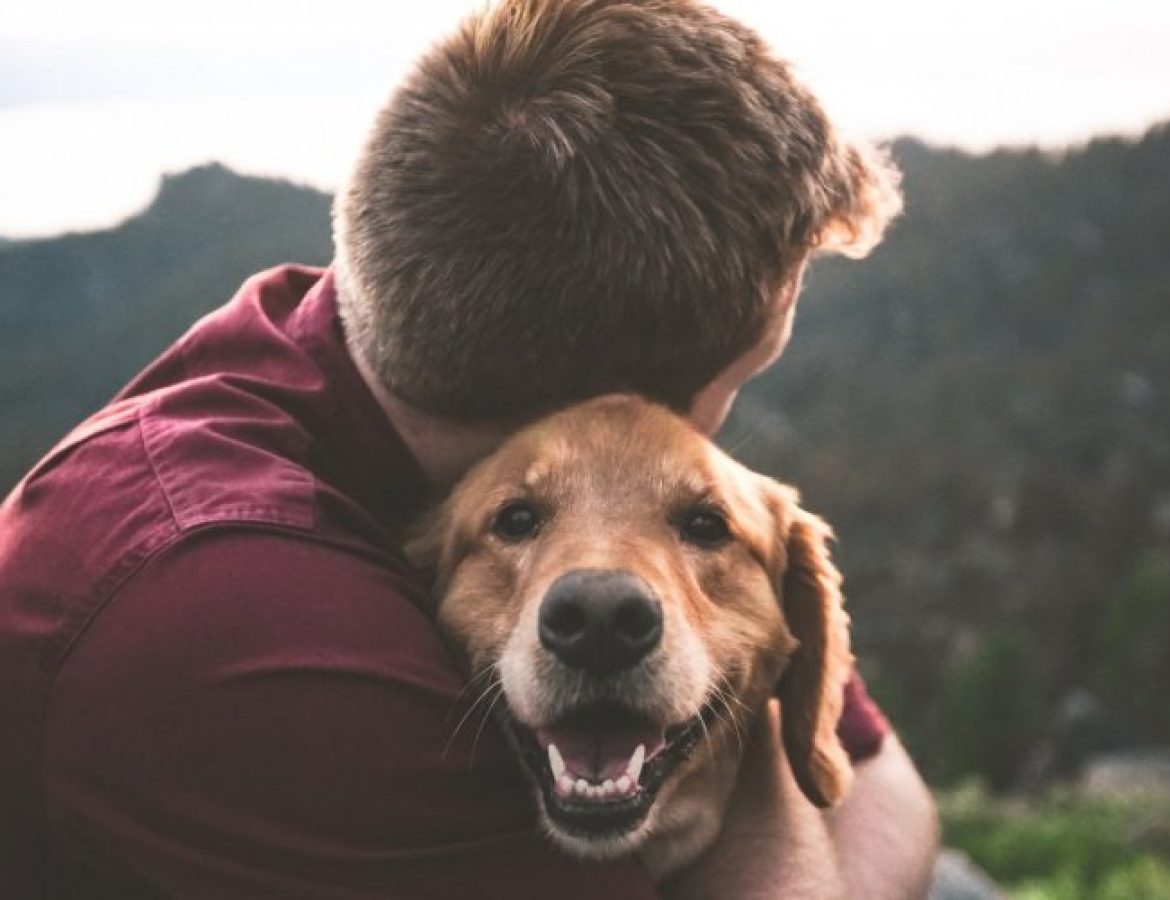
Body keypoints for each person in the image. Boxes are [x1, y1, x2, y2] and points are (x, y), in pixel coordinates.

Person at [0, 0, 938, 896]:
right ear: (604, 403)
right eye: (739, 381)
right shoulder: (239, 621)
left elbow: (881, 780)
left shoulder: (383, 327)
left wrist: (749, 703)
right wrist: (751, 743)